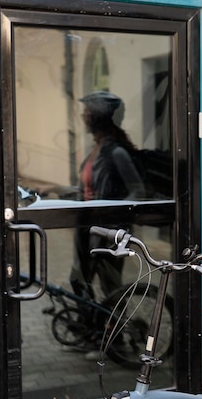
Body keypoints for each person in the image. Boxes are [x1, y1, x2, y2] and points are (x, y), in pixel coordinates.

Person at [70, 91, 145, 301]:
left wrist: (109, 214)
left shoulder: (116, 152)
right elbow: (87, 189)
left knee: (110, 288)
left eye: (87, 112)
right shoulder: (96, 149)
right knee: (79, 281)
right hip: (86, 228)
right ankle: (90, 328)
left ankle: (117, 331)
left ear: (99, 117)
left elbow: (138, 191)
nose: (83, 116)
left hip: (106, 233)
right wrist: (54, 188)